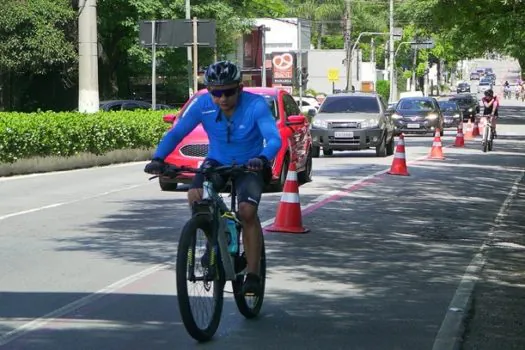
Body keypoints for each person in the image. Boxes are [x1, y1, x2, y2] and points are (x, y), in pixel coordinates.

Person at [144, 61, 282, 296]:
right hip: (216, 161)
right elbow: (177, 132)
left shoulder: (256, 105)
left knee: (247, 212)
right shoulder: (202, 104)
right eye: (216, 93)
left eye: (228, 91)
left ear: (239, 87)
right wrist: (158, 158)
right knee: (195, 196)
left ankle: (253, 274)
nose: (222, 98)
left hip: (250, 163)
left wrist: (263, 157)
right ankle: (213, 242)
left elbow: (274, 139)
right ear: (209, 91)